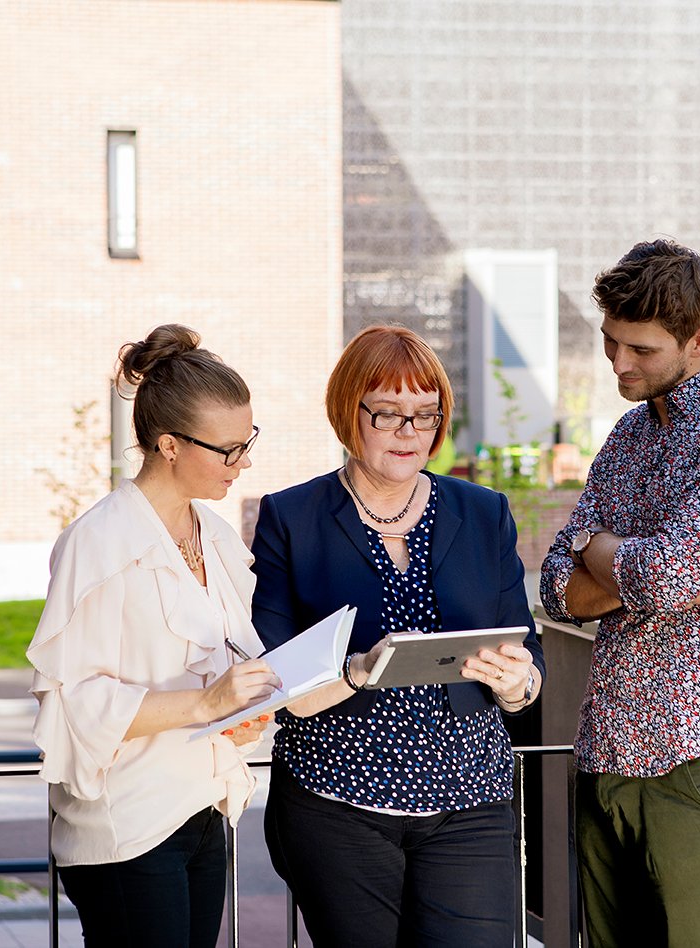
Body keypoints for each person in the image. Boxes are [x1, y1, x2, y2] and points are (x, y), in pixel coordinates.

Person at [540, 238, 700, 948]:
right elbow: (556, 591)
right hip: (606, 754)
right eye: (609, 343)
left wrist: (593, 546)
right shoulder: (627, 438)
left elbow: (669, 579)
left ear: (698, 340)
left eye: (641, 349)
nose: (619, 364)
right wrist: (624, 564)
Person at [250, 324, 545, 948]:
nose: (409, 432)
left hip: (472, 801)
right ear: (346, 412)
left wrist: (519, 684)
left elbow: (529, 657)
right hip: (337, 807)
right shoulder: (292, 518)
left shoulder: (483, 512)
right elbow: (275, 682)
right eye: (387, 413)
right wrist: (359, 668)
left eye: (425, 415)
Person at [26, 324, 281, 948]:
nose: (242, 462)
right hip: (127, 823)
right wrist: (205, 704)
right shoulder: (99, 543)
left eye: (246, 442)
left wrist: (242, 710)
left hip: (201, 807)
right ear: (168, 444)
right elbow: (75, 702)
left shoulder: (217, 538)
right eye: (227, 449)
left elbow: (225, 669)